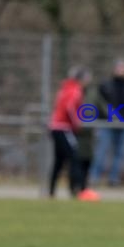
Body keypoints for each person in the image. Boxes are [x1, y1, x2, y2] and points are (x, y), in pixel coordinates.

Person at [89, 58, 124, 187]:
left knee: (120, 154)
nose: (121, 71)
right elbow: (100, 104)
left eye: (123, 68)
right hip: (107, 124)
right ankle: (94, 178)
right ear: (114, 69)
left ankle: (114, 179)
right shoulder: (105, 85)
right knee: (101, 151)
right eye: (119, 68)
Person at [48, 65, 91, 198]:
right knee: (74, 158)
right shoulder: (75, 90)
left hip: (55, 127)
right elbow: (70, 107)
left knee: (59, 160)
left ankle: (51, 191)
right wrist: (76, 123)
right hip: (64, 128)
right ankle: (76, 190)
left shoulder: (64, 89)